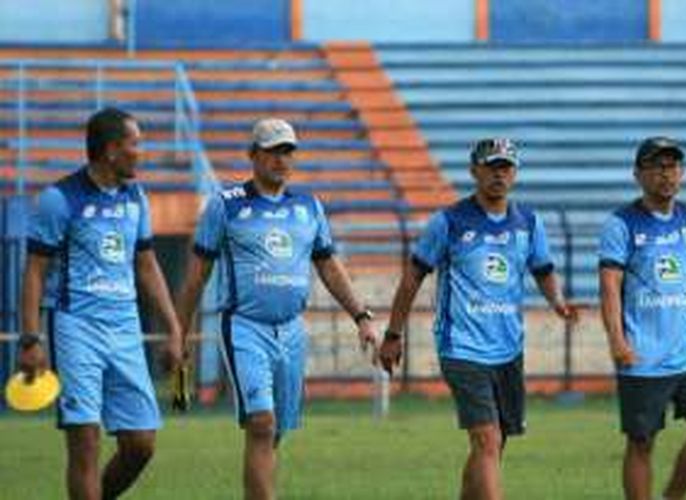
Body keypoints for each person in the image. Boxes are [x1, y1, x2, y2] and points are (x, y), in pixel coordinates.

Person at [176, 118, 377, 500]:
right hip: (245, 326)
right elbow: (196, 275)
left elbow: (330, 267)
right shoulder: (226, 204)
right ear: (253, 155)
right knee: (262, 423)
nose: (281, 159)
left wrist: (361, 317)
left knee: (276, 430)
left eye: (287, 151)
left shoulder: (307, 206)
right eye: (272, 151)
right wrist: (178, 330)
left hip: (291, 329)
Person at [379, 138, 576, 500]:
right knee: (487, 438)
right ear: (474, 171)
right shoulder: (449, 222)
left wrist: (558, 302)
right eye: (491, 166)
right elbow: (412, 278)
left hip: (508, 348)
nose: (499, 174)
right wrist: (393, 333)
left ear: (515, 173)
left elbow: (543, 269)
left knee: (494, 444)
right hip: (462, 347)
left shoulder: (529, 222)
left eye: (506, 166)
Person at [17, 107, 184, 500]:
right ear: (111, 150)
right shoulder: (59, 199)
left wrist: (174, 328)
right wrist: (30, 338)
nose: (140, 152)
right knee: (86, 440)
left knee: (141, 443)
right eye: (135, 144)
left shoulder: (136, 196)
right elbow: (35, 272)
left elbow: (146, 264)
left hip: (125, 329)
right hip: (76, 328)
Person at [598, 136, 686, 500]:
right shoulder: (622, 223)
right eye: (658, 166)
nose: (667, 174)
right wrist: (617, 340)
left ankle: (673, 496)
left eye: (673, 166)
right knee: (642, 441)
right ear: (638, 174)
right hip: (643, 356)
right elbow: (609, 288)